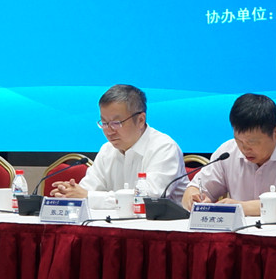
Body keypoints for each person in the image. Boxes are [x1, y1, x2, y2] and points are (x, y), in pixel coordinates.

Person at [181, 93, 276, 215]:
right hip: (243, 235)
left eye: (252, 142)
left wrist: (241, 207)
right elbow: (194, 189)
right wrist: (195, 199)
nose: (244, 149)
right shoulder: (227, 151)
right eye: (239, 141)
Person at [48, 84, 188, 201]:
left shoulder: (164, 147)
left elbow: (148, 198)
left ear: (140, 120)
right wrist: (70, 193)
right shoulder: (107, 150)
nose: (109, 131)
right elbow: (87, 189)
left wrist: (89, 196)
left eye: (116, 123)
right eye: (104, 123)